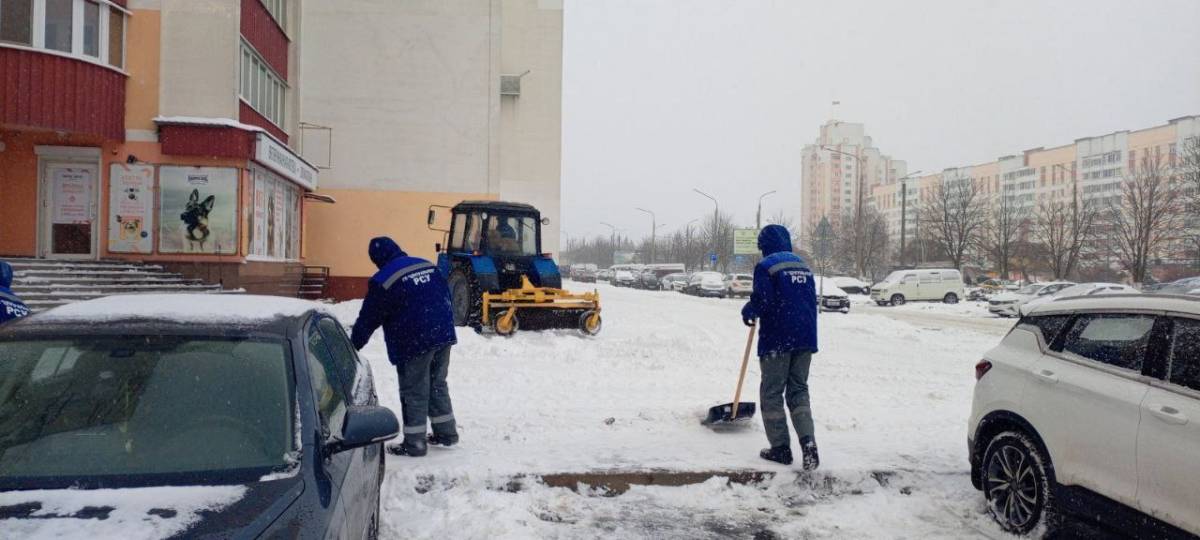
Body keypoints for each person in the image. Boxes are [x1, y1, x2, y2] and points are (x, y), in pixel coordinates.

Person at [351, 237, 458, 457]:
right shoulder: (426, 264)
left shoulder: (383, 280)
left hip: (415, 339)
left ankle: (415, 444)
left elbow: (368, 319)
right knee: (437, 383)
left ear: (377, 259)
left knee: (415, 391)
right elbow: (444, 294)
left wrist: (353, 345)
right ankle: (446, 434)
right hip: (443, 332)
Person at [740, 225, 820, 470]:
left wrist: (749, 310)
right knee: (798, 390)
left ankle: (781, 449)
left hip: (778, 339)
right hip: (806, 338)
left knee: (772, 393)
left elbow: (764, 300)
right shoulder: (803, 265)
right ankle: (809, 444)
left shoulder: (767, 266)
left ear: (764, 245)